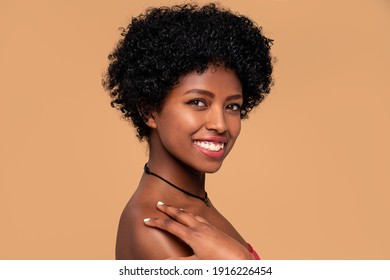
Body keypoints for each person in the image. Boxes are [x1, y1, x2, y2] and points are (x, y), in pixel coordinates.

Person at [103, 3, 273, 260]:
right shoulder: (154, 227)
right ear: (149, 110)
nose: (220, 124)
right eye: (198, 102)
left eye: (232, 106)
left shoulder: (191, 202)